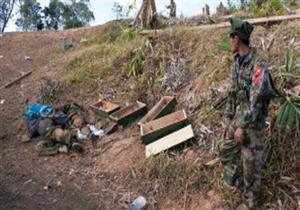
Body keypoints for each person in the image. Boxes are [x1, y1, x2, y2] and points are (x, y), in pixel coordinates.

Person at [220, 18, 273, 210]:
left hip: (253, 123)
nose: (229, 41)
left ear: (237, 39)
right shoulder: (237, 63)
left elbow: (256, 102)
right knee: (225, 149)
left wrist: (242, 127)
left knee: (251, 166)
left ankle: (250, 202)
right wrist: (227, 120)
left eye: (231, 37)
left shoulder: (258, 65)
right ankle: (236, 182)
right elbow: (232, 93)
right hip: (239, 119)